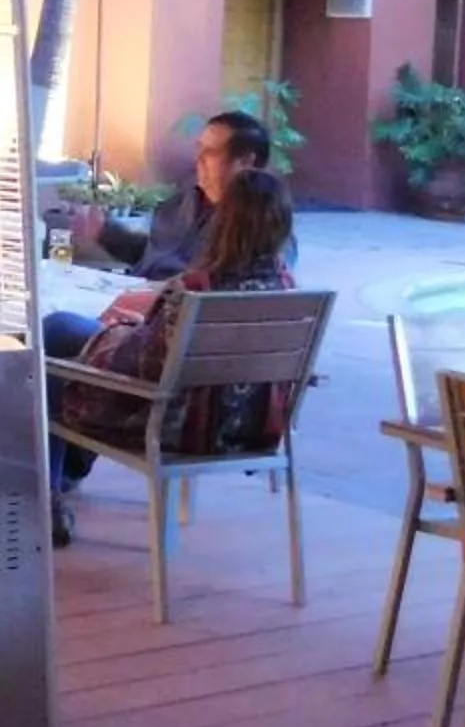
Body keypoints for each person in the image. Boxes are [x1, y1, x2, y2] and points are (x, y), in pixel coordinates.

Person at [45, 168, 300, 547]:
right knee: (71, 339)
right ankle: (64, 477)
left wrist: (117, 333)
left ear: (224, 222)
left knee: (56, 338)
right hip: (249, 430)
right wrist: (146, 330)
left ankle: (47, 495)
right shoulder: (288, 293)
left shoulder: (196, 289)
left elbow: (141, 367)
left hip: (171, 427)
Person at [69, 109, 276, 280]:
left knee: (59, 324)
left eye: (211, 152)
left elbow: (219, 290)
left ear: (246, 162)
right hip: (144, 305)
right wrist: (106, 233)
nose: (199, 159)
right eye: (199, 149)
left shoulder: (259, 225)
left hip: (180, 318)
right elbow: (155, 255)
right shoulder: (182, 201)